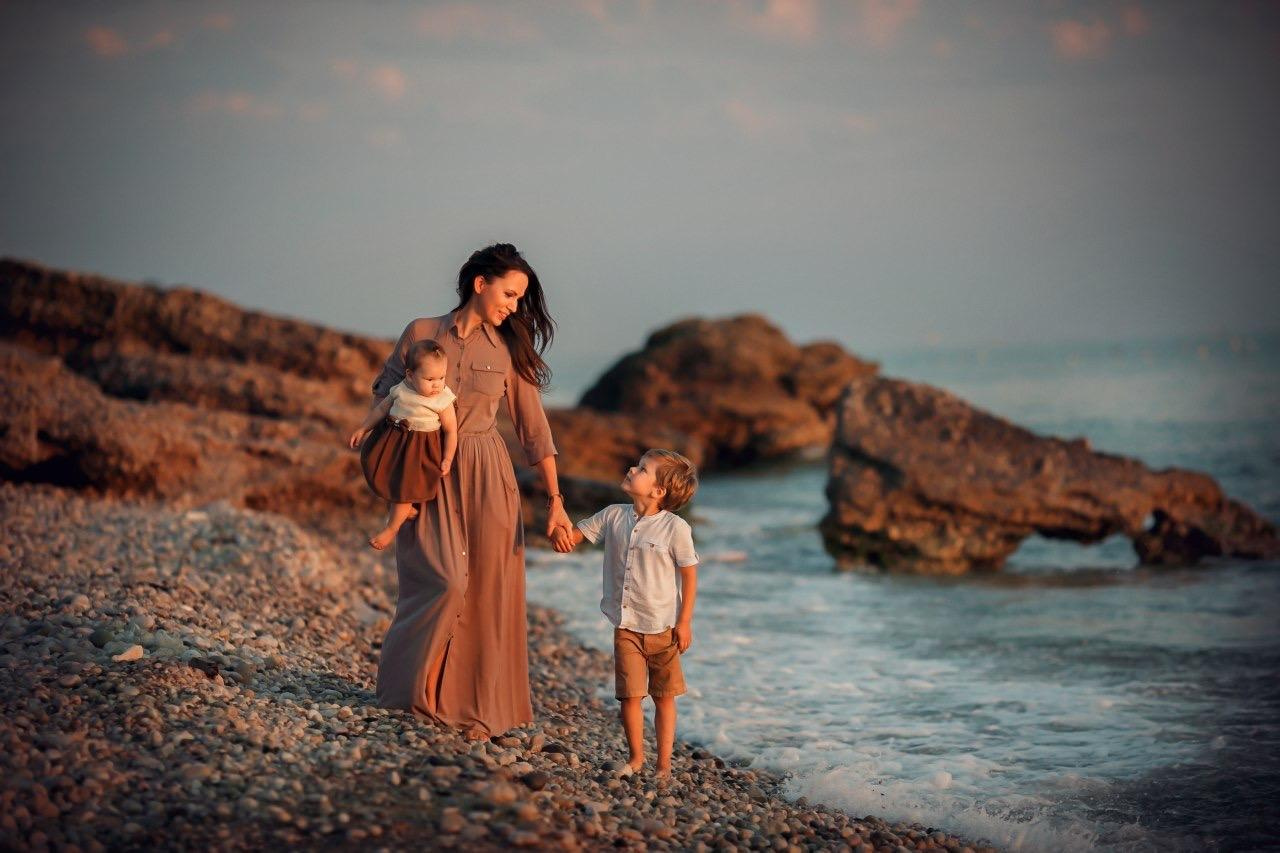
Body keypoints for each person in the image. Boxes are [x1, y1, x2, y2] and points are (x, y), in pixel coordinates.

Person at [371, 243, 573, 741]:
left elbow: (533, 429)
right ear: (480, 284)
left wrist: (555, 502)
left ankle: (474, 710)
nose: (514, 306)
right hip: (427, 470)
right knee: (439, 581)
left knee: (484, 592)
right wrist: (390, 465)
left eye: (520, 298)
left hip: (487, 473)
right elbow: (386, 397)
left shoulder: (507, 349)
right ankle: (405, 694)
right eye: (509, 294)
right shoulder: (420, 332)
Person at [551, 449, 700, 778]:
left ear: (658, 491)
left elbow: (689, 575)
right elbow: (573, 538)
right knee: (629, 696)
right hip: (626, 626)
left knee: (664, 697)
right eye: (637, 465)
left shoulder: (675, 529)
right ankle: (636, 759)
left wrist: (685, 621)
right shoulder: (613, 516)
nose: (632, 468)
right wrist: (560, 532)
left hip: (663, 628)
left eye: (642, 469)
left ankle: (663, 765)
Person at [349, 339, 457, 551]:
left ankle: (391, 529)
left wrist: (447, 457)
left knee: (405, 488)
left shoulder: (442, 399)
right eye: (430, 379)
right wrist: (363, 428)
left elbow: (451, 430)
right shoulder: (401, 389)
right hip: (392, 440)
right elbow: (381, 410)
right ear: (410, 375)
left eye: (441, 378)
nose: (437, 384)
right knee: (383, 473)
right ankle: (405, 509)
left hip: (419, 449)